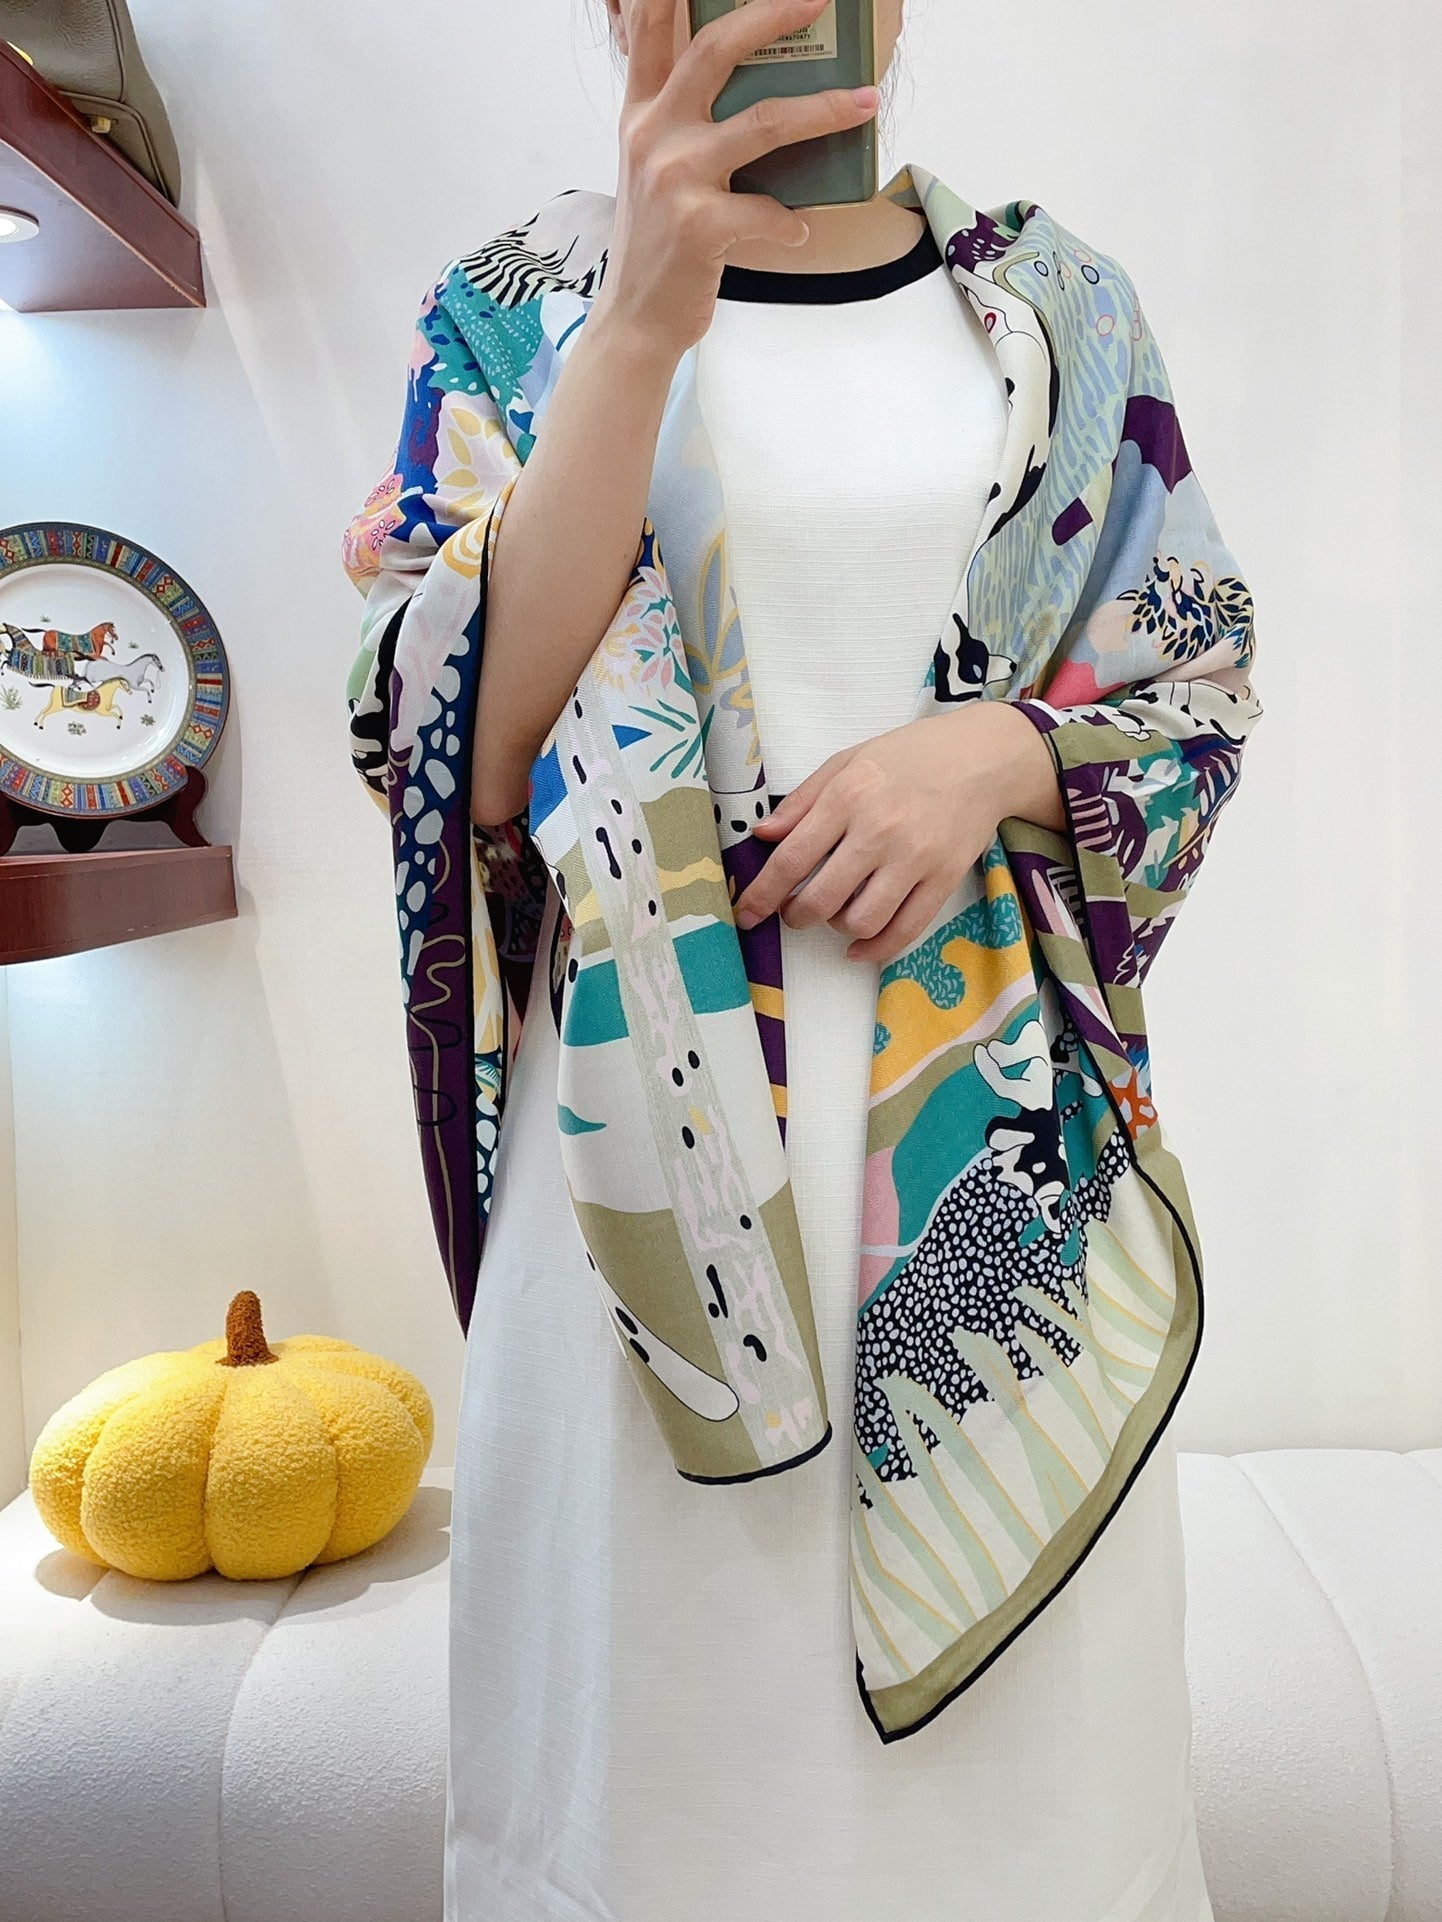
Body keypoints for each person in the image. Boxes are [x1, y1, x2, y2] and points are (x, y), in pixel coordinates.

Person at [342, 2, 1261, 1916]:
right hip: (641, 1233)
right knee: (657, 1824)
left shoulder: (1059, 313)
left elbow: (1194, 686)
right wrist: (638, 327)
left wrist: (990, 757)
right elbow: (454, 758)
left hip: (1004, 1244)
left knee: (1028, 1848)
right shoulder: (516, 312)